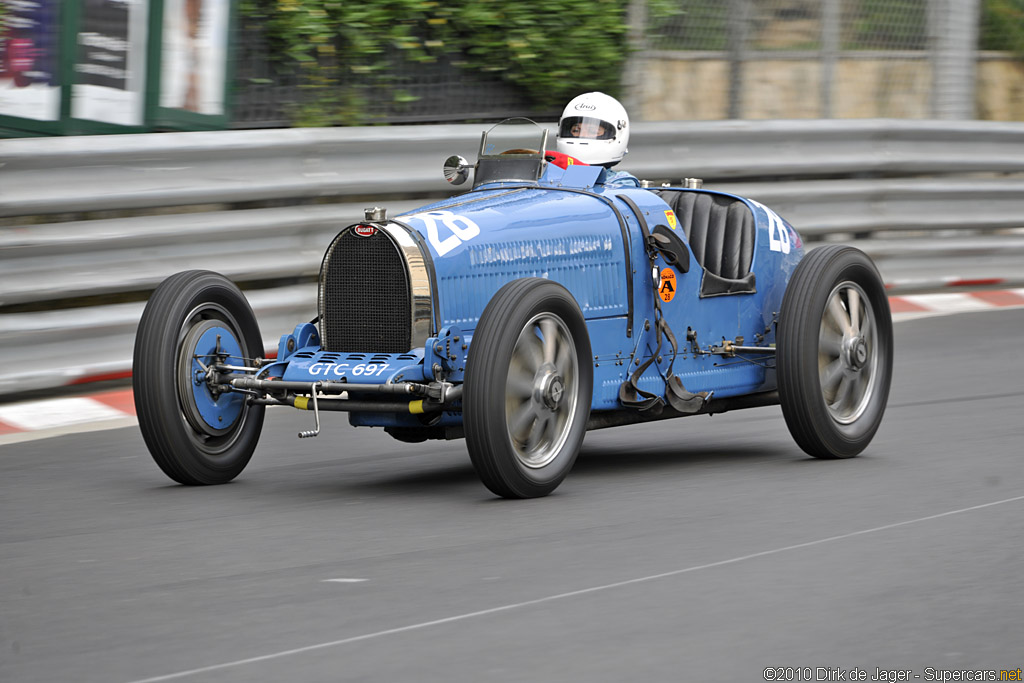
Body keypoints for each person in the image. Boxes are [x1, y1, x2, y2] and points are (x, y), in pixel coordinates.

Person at [555, 91, 641, 187]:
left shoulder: (621, 183)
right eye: (576, 130)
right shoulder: (551, 175)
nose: (582, 134)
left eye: (593, 131)